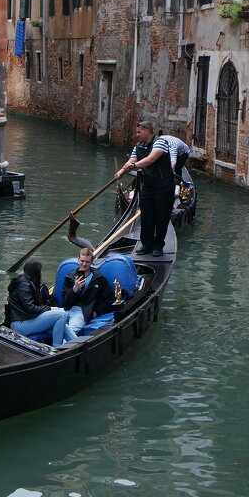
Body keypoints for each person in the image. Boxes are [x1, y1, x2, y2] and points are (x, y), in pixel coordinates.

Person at [114, 120, 176, 257]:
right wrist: (122, 171)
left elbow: (150, 159)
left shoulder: (160, 143)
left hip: (164, 186)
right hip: (148, 185)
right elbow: (131, 160)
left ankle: (158, 246)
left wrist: (132, 167)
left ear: (147, 131)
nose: (137, 135)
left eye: (139, 132)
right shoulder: (139, 146)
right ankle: (147, 245)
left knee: (161, 216)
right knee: (147, 216)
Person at [7, 260, 74, 346]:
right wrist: (49, 308)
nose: (41, 273)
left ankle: (79, 344)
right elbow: (31, 308)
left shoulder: (27, 282)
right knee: (62, 315)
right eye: (40, 271)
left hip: (28, 319)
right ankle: (57, 348)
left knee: (63, 324)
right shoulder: (24, 286)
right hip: (20, 324)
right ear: (35, 272)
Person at [62, 246, 118, 337]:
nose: (84, 264)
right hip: (67, 309)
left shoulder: (99, 279)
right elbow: (65, 302)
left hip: (82, 312)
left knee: (72, 330)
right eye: (82, 261)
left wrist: (97, 311)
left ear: (92, 262)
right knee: (51, 321)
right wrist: (74, 289)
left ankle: (60, 348)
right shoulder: (70, 277)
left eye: (87, 262)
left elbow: (111, 298)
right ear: (78, 260)